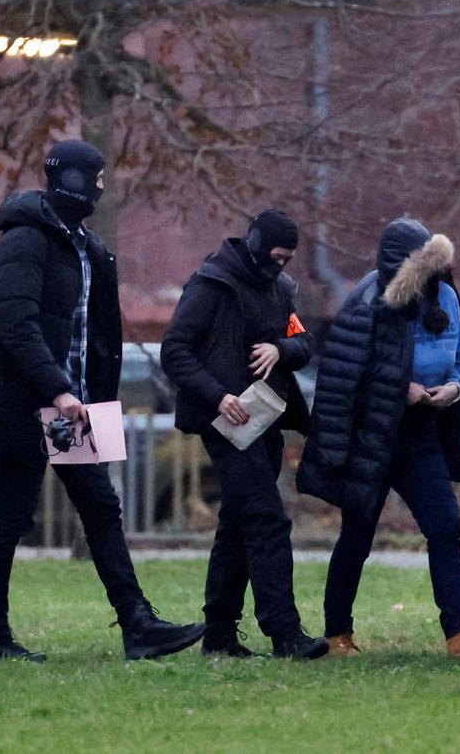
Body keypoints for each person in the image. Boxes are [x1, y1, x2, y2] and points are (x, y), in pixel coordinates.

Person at [0, 139, 204, 662]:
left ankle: (138, 625)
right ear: (73, 179)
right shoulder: (25, 242)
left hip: (72, 408)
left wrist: (91, 397)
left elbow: (92, 331)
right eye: (95, 178)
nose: (101, 187)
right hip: (30, 405)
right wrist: (57, 388)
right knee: (12, 516)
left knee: (101, 507)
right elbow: (16, 323)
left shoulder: (86, 245)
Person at [297, 218, 460, 658]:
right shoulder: (367, 304)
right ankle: (338, 633)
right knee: (357, 536)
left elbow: (458, 357)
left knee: (445, 525)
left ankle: (459, 630)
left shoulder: (447, 299)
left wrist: (452, 388)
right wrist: (404, 390)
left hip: (421, 434)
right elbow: (348, 373)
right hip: (372, 437)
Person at [160, 210, 327, 661]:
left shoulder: (278, 290)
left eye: (288, 260)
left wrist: (281, 348)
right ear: (255, 245)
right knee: (267, 520)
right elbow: (175, 351)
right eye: (276, 257)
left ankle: (219, 633)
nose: (281, 267)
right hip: (226, 423)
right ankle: (285, 632)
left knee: (237, 526)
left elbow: (303, 342)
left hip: (264, 420)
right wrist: (218, 397)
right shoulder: (210, 286)